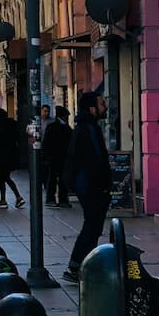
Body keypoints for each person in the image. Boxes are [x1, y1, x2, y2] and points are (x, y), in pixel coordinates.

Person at [62, 92, 112, 283]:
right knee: (92, 226)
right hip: (91, 186)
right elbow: (96, 160)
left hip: (89, 185)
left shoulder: (85, 127)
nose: (105, 107)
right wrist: (103, 185)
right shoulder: (88, 129)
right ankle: (76, 266)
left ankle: (82, 266)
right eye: (101, 103)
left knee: (93, 226)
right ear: (92, 109)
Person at [0, 107, 23, 208]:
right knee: (5, 178)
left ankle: (1, 199)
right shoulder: (11, 124)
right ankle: (7, 198)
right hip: (10, 157)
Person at [42, 105, 72, 209]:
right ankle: (58, 199)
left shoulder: (54, 127)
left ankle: (53, 199)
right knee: (56, 179)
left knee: (56, 179)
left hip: (57, 157)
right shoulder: (65, 128)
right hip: (57, 157)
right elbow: (46, 143)